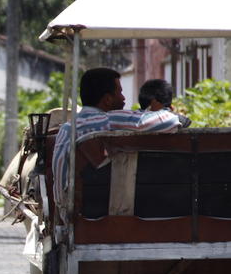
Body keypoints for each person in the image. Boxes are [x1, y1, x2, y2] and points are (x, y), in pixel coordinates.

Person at [51, 68, 187, 215]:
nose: (124, 99)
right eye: (120, 93)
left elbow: (60, 185)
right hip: (126, 215)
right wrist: (164, 112)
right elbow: (167, 121)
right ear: (108, 99)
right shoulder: (112, 120)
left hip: (79, 218)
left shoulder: (66, 130)